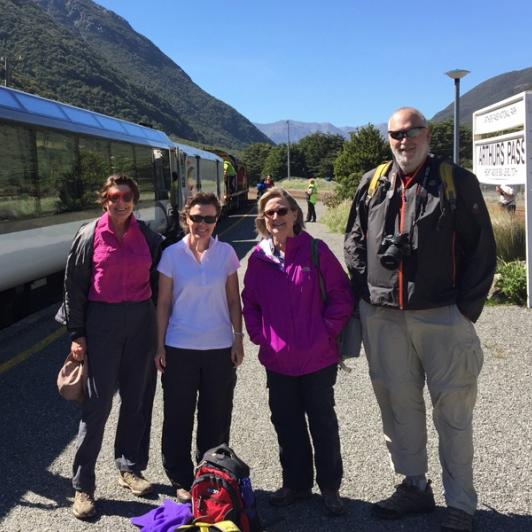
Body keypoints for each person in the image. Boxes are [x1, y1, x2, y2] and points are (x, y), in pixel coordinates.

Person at [344, 107, 496, 532]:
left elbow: (482, 247)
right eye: (395, 134)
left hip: (443, 313)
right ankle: (414, 487)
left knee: (453, 409)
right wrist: (366, 293)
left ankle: (461, 504)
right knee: (398, 406)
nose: (404, 140)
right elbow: (354, 239)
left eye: (412, 132)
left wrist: (465, 311)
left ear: (427, 135)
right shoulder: (373, 182)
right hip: (384, 315)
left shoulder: (453, 180)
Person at [242, 187, 353, 517]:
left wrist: (327, 332)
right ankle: (296, 483)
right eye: (270, 213)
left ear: (294, 215)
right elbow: (251, 304)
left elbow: (341, 296)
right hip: (279, 361)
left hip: (318, 358)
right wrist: (261, 336)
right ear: (263, 219)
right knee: (286, 424)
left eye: (282, 211)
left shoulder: (316, 251)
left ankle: (330, 487)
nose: (276, 217)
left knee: (322, 423)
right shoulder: (259, 259)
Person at [60, 174, 163, 520]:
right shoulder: (90, 235)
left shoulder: (148, 236)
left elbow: (158, 282)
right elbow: (73, 286)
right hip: (101, 323)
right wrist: (78, 334)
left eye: (127, 197)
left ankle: (129, 468)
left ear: (135, 200)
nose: (121, 203)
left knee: (135, 401)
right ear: (104, 200)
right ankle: (83, 486)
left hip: (140, 322)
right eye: (114, 197)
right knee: (98, 406)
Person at [155, 192, 244, 503]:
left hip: (219, 348)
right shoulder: (171, 255)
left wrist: (237, 337)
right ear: (185, 219)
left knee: (216, 415)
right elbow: (163, 303)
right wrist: (159, 345)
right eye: (196, 218)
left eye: (209, 218)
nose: (202, 224)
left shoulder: (227, 253)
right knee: (177, 415)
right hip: (179, 347)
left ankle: (211, 473)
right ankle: (180, 478)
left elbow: (234, 299)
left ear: (216, 221)